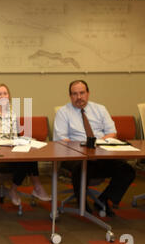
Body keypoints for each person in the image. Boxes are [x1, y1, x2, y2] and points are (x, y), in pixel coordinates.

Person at [53, 80, 135, 216]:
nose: (79, 97)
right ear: (70, 96)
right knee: (81, 168)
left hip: (101, 153)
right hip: (75, 155)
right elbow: (61, 139)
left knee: (127, 170)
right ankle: (82, 204)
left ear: (88, 93)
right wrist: (83, 147)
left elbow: (111, 132)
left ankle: (104, 199)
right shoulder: (63, 112)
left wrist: (99, 144)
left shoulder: (100, 109)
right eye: (75, 94)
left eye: (82, 93)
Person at [0, 83, 51, 206]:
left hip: (9, 150)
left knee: (29, 156)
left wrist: (20, 141)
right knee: (26, 161)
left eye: (5, 93)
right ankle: (33, 188)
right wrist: (5, 141)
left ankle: (20, 188)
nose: (3, 96)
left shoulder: (11, 112)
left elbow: (13, 135)